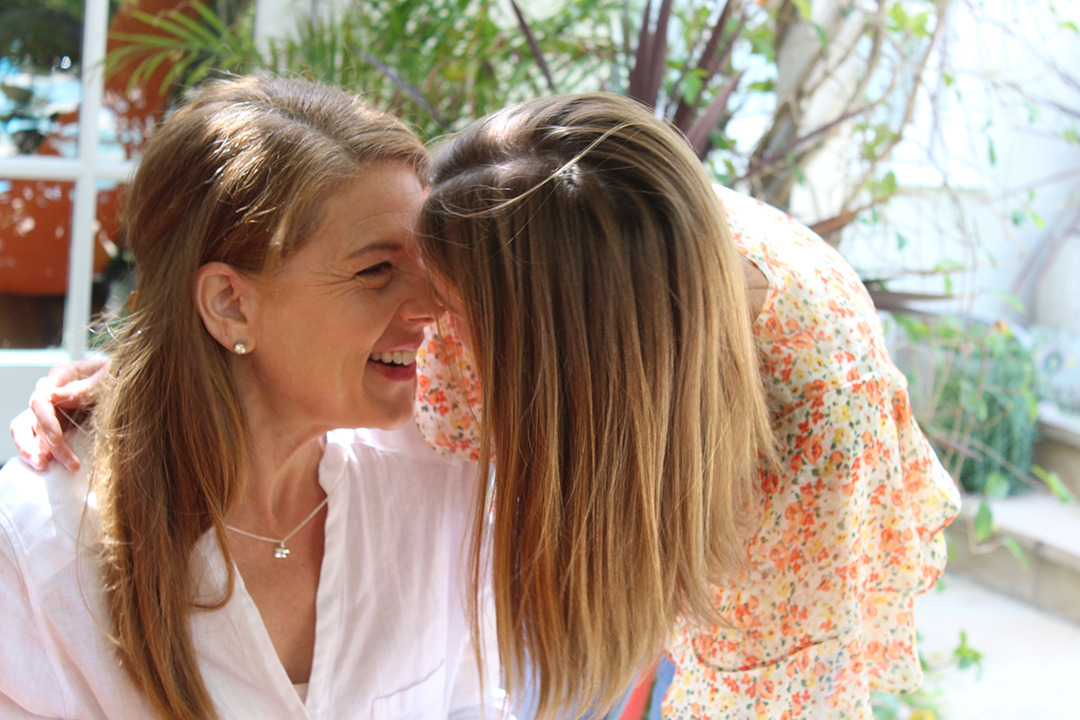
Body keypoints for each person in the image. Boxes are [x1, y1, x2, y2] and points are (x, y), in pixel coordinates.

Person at [14, 92, 960, 720]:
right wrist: (162, 374)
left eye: (450, 306)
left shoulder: (808, 449)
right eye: (399, 273)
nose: (431, 330)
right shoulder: (521, 243)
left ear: (550, 364)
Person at [0, 76, 498, 720]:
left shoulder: (442, 487)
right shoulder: (40, 544)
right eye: (376, 270)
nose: (431, 307)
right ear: (230, 304)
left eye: (426, 268)